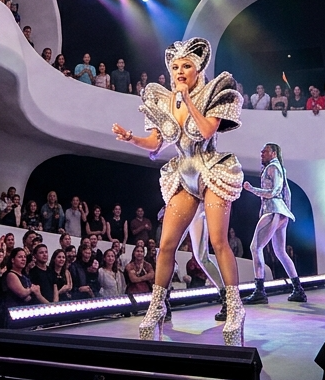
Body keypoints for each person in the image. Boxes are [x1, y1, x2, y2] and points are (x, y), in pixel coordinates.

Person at [112, 37, 246, 345]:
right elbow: (156, 144)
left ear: (198, 69)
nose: (180, 71)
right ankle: (157, 306)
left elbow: (208, 130)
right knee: (165, 244)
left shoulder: (211, 93)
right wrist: (131, 137)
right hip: (183, 174)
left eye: (186, 66)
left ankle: (235, 306)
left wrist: (187, 100)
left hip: (211, 171)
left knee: (217, 241)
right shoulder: (164, 99)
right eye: (175, 67)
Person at [242, 143, 305, 305]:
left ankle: (260, 290)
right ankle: (298, 289)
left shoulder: (273, 168)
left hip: (273, 210)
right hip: (279, 211)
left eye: (265, 151)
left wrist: (252, 189)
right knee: (280, 251)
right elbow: (287, 192)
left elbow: (274, 192)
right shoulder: (277, 168)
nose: (261, 153)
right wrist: (287, 212)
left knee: (255, 247)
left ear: (274, 153)